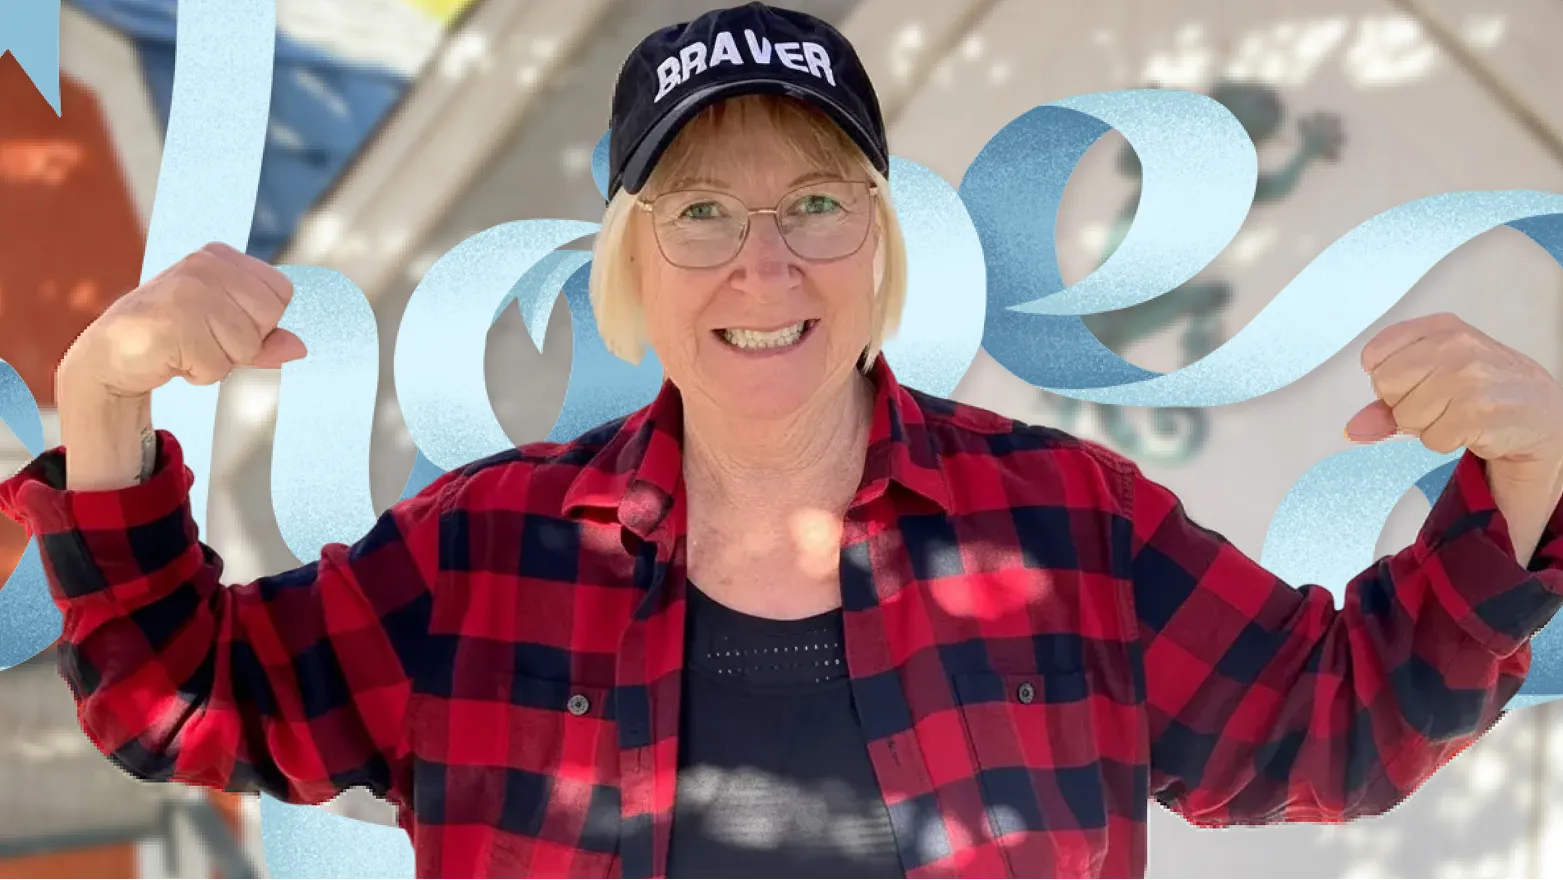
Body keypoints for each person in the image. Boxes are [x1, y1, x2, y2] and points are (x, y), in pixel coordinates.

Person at [2, 4, 1561, 879]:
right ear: (628, 267)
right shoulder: (482, 556)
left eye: (816, 201)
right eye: (699, 212)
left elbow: (1333, 721)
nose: (764, 266)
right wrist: (104, 403)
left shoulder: (1064, 527)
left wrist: (1526, 480)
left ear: (878, 243)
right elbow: (178, 698)